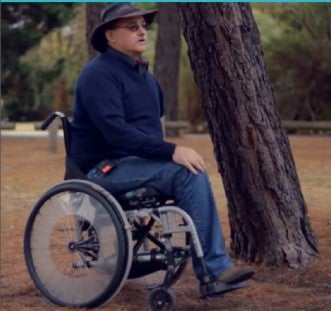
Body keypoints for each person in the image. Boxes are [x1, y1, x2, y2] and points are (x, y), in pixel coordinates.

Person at [70, 2, 254, 286]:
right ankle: (215, 270)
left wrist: (168, 154)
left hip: (134, 165)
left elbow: (150, 131)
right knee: (185, 169)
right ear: (110, 36)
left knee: (188, 168)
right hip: (102, 169)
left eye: (144, 25)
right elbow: (116, 133)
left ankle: (208, 263)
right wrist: (172, 152)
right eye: (132, 27)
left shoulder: (146, 77)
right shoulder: (98, 74)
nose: (142, 31)